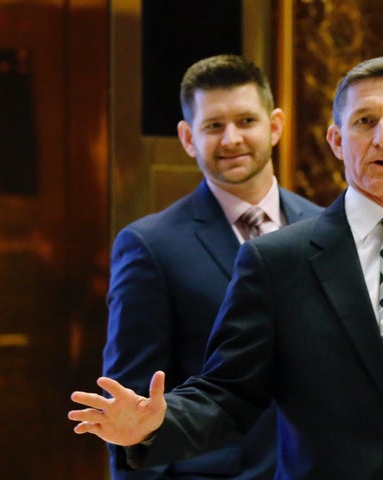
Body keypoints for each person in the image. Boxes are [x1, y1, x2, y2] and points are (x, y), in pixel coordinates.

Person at [70, 57, 383, 479]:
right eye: (364, 121)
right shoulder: (277, 260)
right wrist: (154, 428)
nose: (382, 138)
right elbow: (230, 394)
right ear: (335, 139)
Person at [100, 54, 323, 479]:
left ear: (275, 126)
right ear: (187, 137)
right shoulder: (150, 245)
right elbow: (129, 413)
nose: (232, 139)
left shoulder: (326, 228)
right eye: (213, 126)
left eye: (246, 121)